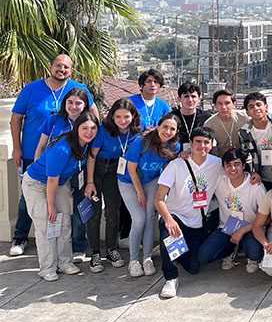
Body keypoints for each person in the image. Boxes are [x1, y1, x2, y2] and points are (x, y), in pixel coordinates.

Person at [9, 53, 96, 257]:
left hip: (73, 160)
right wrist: (17, 147)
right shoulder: (31, 89)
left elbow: (93, 116)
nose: (62, 70)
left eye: (66, 67)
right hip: (34, 154)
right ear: (50, 66)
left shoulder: (79, 90)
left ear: (71, 70)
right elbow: (16, 119)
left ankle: (77, 245)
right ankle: (20, 237)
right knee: (28, 199)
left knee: (74, 200)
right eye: (58, 65)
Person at [22, 112, 99, 280]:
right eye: (84, 128)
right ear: (77, 127)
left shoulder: (86, 144)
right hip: (38, 184)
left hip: (60, 184)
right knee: (47, 225)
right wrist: (51, 206)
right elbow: (51, 180)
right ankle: (47, 267)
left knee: (64, 223)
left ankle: (64, 262)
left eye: (93, 128)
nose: (89, 132)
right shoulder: (62, 148)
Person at [155, 127, 224, 298]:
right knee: (168, 234)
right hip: (176, 216)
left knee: (194, 268)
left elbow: (235, 173)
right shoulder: (176, 165)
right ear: (190, 144)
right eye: (198, 142)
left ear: (212, 144)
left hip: (197, 221)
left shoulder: (217, 163)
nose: (202, 146)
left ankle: (175, 254)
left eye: (206, 142)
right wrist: (169, 219)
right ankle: (171, 277)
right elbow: (158, 198)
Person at [119, 112, 182, 277]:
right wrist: (140, 193)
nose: (167, 131)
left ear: (176, 132)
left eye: (172, 129)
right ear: (158, 126)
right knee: (139, 219)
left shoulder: (174, 146)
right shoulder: (142, 141)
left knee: (149, 218)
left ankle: (147, 258)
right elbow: (131, 169)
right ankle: (134, 260)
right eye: (165, 127)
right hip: (129, 181)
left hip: (151, 180)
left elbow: (171, 164)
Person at [33, 87, 92, 260]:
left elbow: (92, 153)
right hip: (54, 174)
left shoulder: (89, 122)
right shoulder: (54, 119)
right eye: (70, 102)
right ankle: (51, 248)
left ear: (85, 105)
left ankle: (78, 247)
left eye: (78, 103)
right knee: (52, 211)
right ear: (64, 103)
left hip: (78, 172)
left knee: (79, 210)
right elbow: (42, 145)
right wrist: (40, 167)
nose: (74, 106)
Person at [85, 98, 142, 272]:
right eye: (118, 116)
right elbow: (92, 156)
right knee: (94, 213)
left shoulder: (136, 132)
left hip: (116, 171)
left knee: (113, 211)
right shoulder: (103, 130)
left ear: (133, 116)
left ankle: (111, 249)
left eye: (126, 116)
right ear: (112, 116)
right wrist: (90, 182)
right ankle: (94, 252)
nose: (122, 121)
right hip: (98, 169)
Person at [197, 148, 266, 272]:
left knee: (254, 252)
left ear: (244, 165)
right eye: (228, 165)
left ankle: (251, 256)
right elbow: (199, 165)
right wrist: (185, 154)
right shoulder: (219, 181)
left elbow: (267, 218)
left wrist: (243, 230)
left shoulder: (255, 185)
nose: (232, 169)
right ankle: (229, 250)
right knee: (204, 256)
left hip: (251, 227)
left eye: (236, 164)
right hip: (227, 227)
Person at [238, 92, 272, 189]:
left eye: (258, 104)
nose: (256, 108)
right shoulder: (244, 133)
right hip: (262, 179)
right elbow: (243, 157)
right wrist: (252, 172)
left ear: (266, 107)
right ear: (247, 112)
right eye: (251, 107)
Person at [205, 89, 249, 156]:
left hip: (243, 157)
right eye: (220, 103)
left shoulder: (244, 117)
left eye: (227, 103)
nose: (224, 107)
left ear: (234, 104)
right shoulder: (209, 124)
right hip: (221, 159)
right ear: (215, 106)